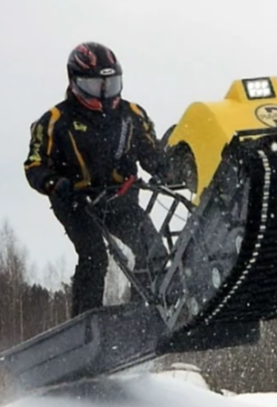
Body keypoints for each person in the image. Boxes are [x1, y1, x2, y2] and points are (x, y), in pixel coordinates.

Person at [24, 41, 169, 316]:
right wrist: (57, 184)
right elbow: (35, 165)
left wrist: (163, 167)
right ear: (75, 82)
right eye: (96, 86)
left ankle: (144, 313)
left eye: (110, 85)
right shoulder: (55, 121)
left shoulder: (133, 115)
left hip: (120, 197)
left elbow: (151, 153)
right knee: (94, 255)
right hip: (76, 203)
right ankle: (84, 322)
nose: (104, 94)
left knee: (152, 250)